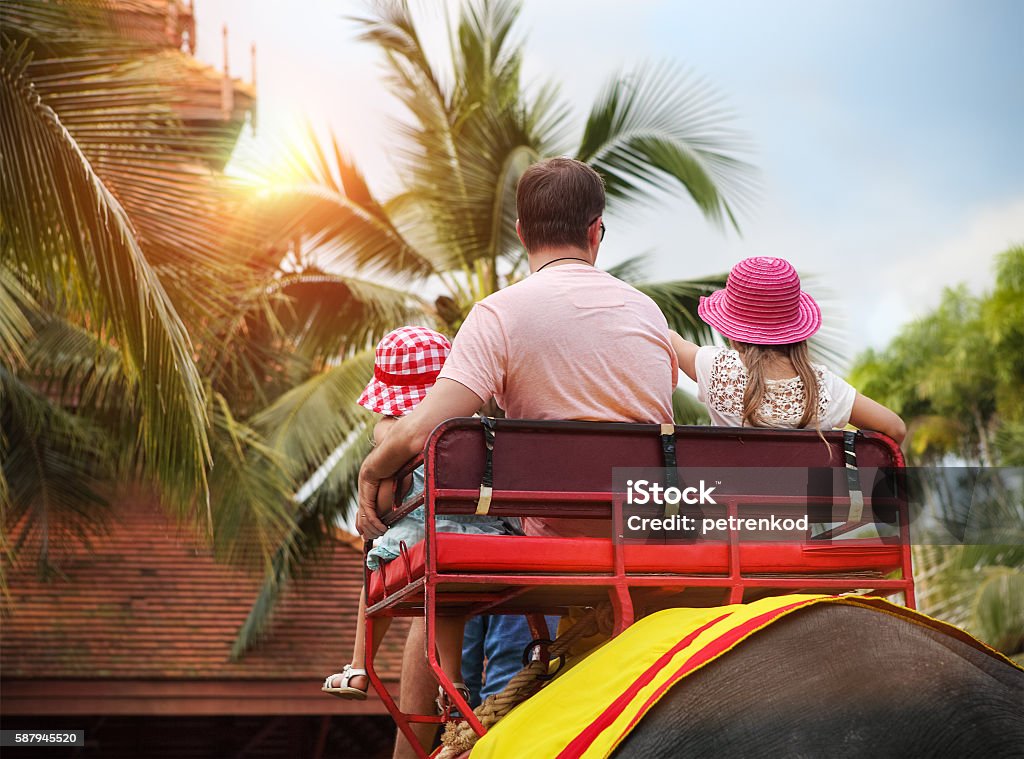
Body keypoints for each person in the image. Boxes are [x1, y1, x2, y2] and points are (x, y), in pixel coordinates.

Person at [354, 157, 678, 758]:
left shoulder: (500, 314)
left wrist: (373, 468)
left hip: (551, 530)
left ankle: (414, 750)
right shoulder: (649, 313)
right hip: (646, 526)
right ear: (596, 231)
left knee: (443, 545)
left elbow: (431, 429)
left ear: (523, 234)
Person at [321, 326, 514, 704]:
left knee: (376, 578)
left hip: (420, 542)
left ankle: (359, 667)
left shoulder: (393, 433)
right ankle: (454, 679)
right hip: (477, 542)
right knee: (449, 603)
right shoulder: (477, 429)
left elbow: (388, 502)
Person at [669, 255, 906, 442]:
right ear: (796, 332)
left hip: (731, 503)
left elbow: (670, 339)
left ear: (733, 334)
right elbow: (894, 428)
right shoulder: (823, 386)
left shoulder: (716, 367)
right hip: (807, 504)